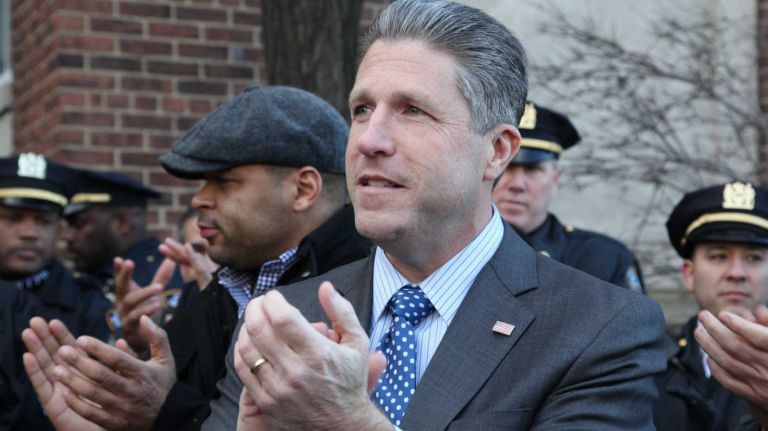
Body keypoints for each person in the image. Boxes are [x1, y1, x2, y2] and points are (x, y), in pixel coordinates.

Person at [205, 1, 665, 430]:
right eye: (362, 109)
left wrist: (350, 420)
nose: (370, 140)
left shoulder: (599, 328)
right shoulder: (283, 321)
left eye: (412, 111)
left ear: (496, 151)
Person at [22, 85, 373, 431]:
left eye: (223, 181)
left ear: (303, 189)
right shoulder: (227, 289)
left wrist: (165, 413)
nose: (199, 200)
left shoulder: (378, 288)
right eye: (204, 182)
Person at [492, 102, 645, 292]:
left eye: (533, 170)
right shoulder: (451, 251)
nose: (517, 185)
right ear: (488, 168)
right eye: (508, 167)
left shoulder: (603, 261)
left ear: (555, 179)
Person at [654, 181, 768, 431]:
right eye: (719, 256)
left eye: (754, 257)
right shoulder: (646, 368)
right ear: (689, 273)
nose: (736, 273)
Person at [61, 168, 187, 333]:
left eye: (79, 224)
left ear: (122, 224)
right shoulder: (84, 283)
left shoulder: (171, 275)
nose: (67, 235)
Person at [0, 153, 110, 340]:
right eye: (13, 218)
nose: (29, 233)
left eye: (44, 221)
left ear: (60, 228)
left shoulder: (89, 305)